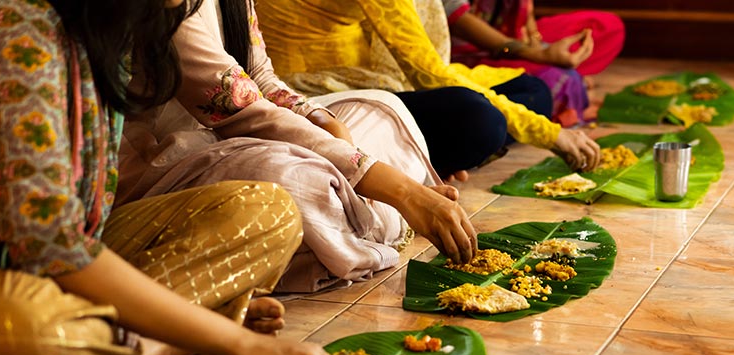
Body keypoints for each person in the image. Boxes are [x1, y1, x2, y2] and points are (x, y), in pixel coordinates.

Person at [0, 0, 344, 355]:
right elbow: (48, 243)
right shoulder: (12, 18)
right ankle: (167, 339)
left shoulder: (111, 24)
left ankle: (132, 340)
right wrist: (240, 344)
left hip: (70, 262)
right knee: (40, 344)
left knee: (269, 211)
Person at [117, 0, 477, 293]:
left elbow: (260, 78)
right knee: (289, 177)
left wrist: (321, 119)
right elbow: (239, 109)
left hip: (239, 136)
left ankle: (349, 220)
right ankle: (372, 214)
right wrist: (403, 191)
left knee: (382, 109)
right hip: (167, 159)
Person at [255, 0, 602, 173]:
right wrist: (548, 133)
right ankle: (416, 159)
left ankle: (424, 150)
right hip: (322, 96)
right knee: (482, 122)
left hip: (368, 73)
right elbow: (426, 71)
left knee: (532, 91)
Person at [443, 0, 625, 126]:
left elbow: (525, 14)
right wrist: (536, 54)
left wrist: (536, 41)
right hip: (468, 50)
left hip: (512, 38)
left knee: (608, 26)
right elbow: (457, 18)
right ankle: (556, 83)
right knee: (554, 82)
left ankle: (552, 75)